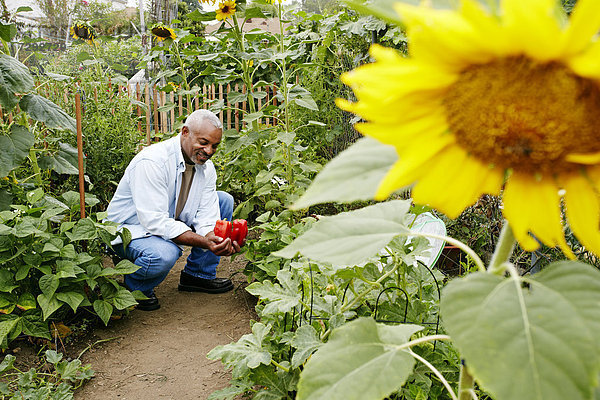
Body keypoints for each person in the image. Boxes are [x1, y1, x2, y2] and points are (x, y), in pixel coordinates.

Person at [106, 109, 243, 311]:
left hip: (168, 219)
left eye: (215, 145)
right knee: (164, 254)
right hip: (130, 232)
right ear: (185, 132)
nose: (209, 150)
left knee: (223, 200)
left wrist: (215, 238)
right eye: (203, 142)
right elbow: (155, 222)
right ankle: (135, 288)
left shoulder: (206, 167)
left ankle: (197, 276)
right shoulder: (152, 161)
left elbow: (207, 215)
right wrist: (205, 241)